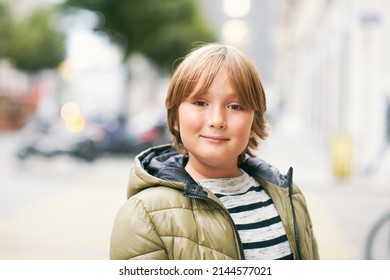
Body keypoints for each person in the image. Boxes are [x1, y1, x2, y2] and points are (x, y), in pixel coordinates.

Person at [109, 43, 319, 260]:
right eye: (200, 102)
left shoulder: (288, 197)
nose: (217, 120)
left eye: (235, 106)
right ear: (175, 116)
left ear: (254, 119)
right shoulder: (144, 215)